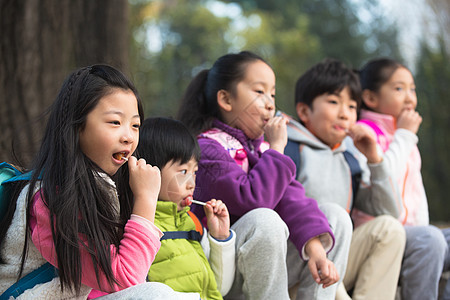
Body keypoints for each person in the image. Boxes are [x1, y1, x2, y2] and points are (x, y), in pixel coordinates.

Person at [177, 51, 352, 300]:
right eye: (259, 92)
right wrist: (277, 150)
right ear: (226, 100)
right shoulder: (208, 148)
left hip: (264, 267)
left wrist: (316, 249)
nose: (270, 103)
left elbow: (292, 198)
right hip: (223, 272)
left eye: (272, 93)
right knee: (264, 220)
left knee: (336, 217)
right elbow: (253, 200)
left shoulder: (260, 149)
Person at [0, 65, 185, 299]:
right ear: (77, 127)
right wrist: (146, 200)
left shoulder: (104, 186)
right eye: (115, 122)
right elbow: (125, 279)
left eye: (135, 125)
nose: (128, 136)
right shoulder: (51, 198)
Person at [284, 58, 406, 300]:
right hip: (294, 266)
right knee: (331, 215)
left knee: (389, 230)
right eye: (333, 102)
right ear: (304, 111)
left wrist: (373, 158)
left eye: (352, 106)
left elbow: (390, 211)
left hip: (334, 269)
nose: (344, 113)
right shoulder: (288, 149)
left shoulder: (349, 160)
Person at [356, 57, 450, 300]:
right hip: (384, 235)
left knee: (432, 238)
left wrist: (404, 136)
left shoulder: (402, 135)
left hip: (414, 234)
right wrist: (404, 136)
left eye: (412, 89)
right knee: (430, 240)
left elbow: (416, 195)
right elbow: (382, 184)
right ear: (371, 98)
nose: (409, 97)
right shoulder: (363, 135)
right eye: (399, 88)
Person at [135, 117, 236, 299]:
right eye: (183, 172)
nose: (191, 184)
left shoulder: (193, 225)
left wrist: (220, 238)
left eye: (194, 172)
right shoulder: (139, 227)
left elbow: (219, 288)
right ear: (150, 170)